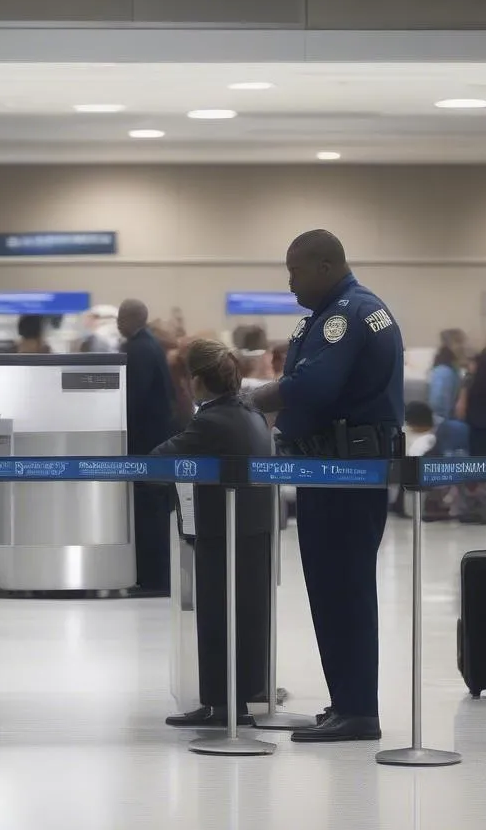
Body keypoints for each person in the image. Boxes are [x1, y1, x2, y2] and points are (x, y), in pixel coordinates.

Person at [250, 229, 403, 743]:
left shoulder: (345, 316)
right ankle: (346, 702)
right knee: (335, 590)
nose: (289, 282)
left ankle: (358, 711)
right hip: (331, 469)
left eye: (294, 270)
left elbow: (314, 387)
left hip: (344, 472)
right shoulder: (339, 312)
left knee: (344, 590)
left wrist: (259, 397)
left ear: (323, 265)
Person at [150, 339, 272, 728]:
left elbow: (158, 460)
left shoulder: (210, 421)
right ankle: (232, 701)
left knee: (218, 616)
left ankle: (222, 707)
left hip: (223, 530)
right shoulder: (249, 412)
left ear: (198, 380)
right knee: (245, 617)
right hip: (253, 529)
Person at [118, 298, 177, 595]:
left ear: (132, 318)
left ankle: (153, 580)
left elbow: (133, 400)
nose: (118, 323)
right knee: (153, 512)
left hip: (144, 445)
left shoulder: (137, 349)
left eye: (121, 316)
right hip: (155, 441)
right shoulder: (150, 345)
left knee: (147, 514)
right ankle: (155, 578)